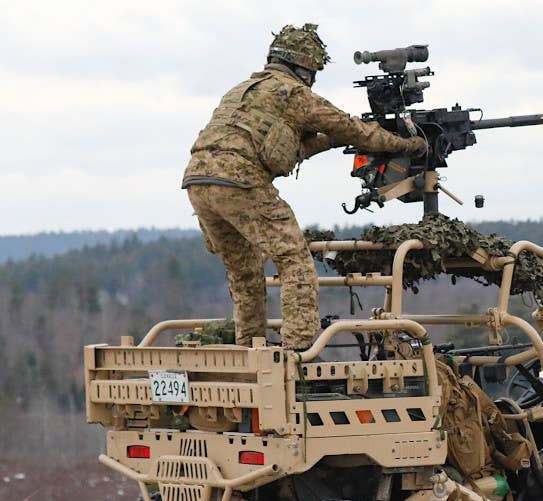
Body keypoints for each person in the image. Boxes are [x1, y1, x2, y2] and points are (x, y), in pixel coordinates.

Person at [183, 23, 427, 348]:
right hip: (240, 180)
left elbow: (283, 147)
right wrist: (404, 144)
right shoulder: (293, 93)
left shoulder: (244, 91)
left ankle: (249, 347)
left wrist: (329, 141)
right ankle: (296, 353)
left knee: (244, 270)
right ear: (305, 70)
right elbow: (353, 129)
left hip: (199, 181)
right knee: (294, 260)